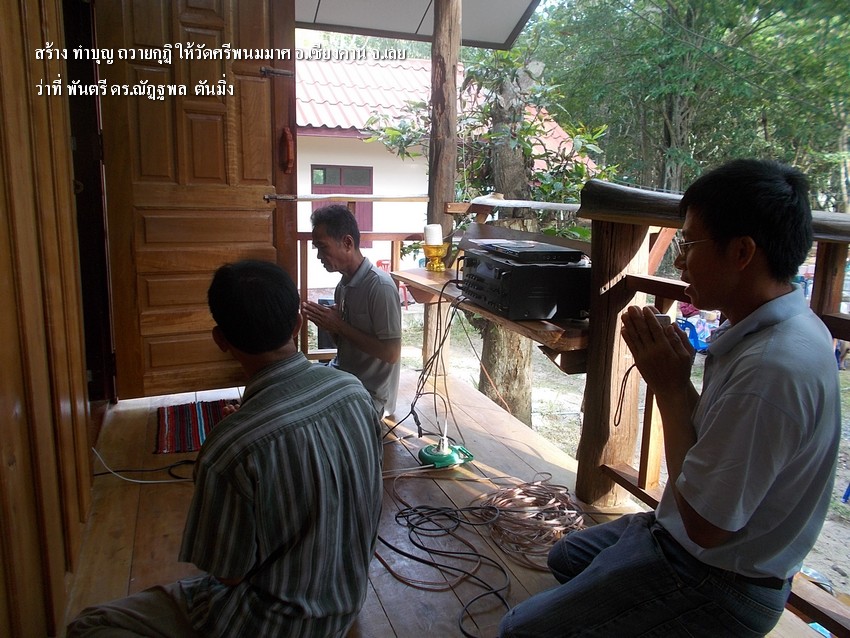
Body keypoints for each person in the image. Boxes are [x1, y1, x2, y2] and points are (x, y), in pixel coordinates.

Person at [498, 159, 840, 637]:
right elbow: (715, 449)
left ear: (742, 252)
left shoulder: (773, 368)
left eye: (690, 244)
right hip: (679, 534)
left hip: (718, 579)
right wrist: (676, 380)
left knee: (519, 630)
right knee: (566, 555)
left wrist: (671, 388)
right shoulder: (769, 327)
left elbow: (707, 527)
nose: (680, 262)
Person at [68, 260, 383, 638]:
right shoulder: (354, 392)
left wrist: (234, 437)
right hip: (345, 603)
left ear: (220, 340)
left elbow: (229, 575)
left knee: (90, 625)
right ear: (298, 325)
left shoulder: (229, 449)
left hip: (270, 624)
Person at [301, 204, 402, 417]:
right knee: (294, 387)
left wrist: (339, 325)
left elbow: (391, 354)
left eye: (323, 247)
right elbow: (345, 345)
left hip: (370, 395)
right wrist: (330, 326)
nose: (319, 256)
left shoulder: (380, 286)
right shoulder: (343, 286)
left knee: (305, 414)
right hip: (343, 376)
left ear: (347, 243)